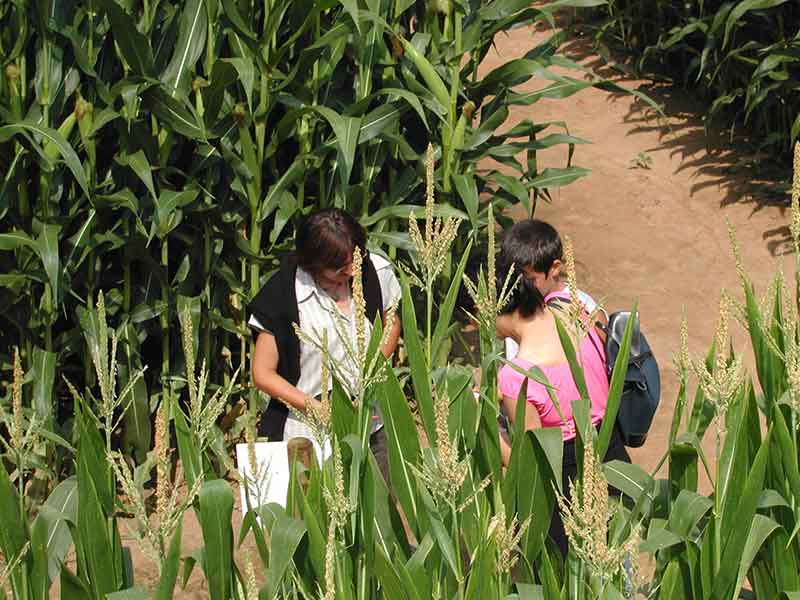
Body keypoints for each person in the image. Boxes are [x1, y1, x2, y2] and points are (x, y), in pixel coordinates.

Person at [494, 219, 630, 556]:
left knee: (568, 574)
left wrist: (483, 432)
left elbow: (529, 460)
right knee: (614, 559)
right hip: (610, 452)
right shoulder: (577, 308)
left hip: (565, 483)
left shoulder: (518, 375)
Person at [247, 208, 401, 480]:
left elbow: (392, 322)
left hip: (371, 423)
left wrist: (374, 370)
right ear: (313, 265)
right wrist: (318, 409)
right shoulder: (282, 296)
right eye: (340, 267)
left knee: (375, 515)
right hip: (308, 434)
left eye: (355, 258)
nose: (352, 271)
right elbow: (262, 373)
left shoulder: (374, 271)